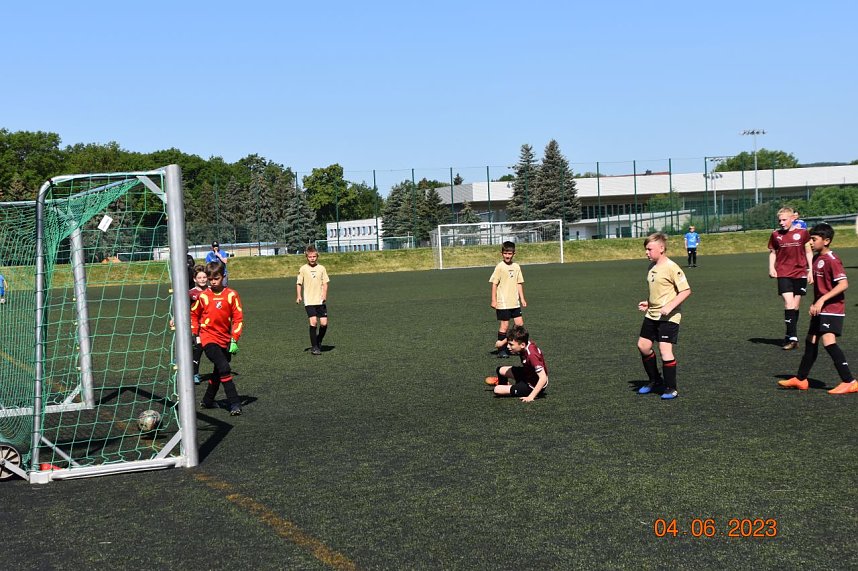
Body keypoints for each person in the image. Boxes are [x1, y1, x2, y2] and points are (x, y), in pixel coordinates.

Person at [778, 224, 858, 394]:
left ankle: (849, 380)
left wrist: (821, 300)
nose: (810, 243)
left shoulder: (832, 259)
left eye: (814, 239)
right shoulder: (816, 259)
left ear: (827, 240)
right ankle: (801, 379)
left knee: (828, 342)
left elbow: (843, 284)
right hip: (820, 308)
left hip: (832, 309)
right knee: (810, 341)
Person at [636, 232, 692, 400]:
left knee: (664, 350)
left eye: (649, 249)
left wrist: (670, 306)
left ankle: (671, 388)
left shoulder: (672, 267)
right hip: (652, 314)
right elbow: (658, 292)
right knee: (643, 346)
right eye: (645, 249)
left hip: (669, 317)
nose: (646, 252)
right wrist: (648, 302)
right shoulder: (651, 267)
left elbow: (686, 291)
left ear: (661, 248)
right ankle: (655, 380)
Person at [191, 261, 244, 415]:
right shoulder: (204, 297)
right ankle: (234, 403)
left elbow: (238, 319)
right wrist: (195, 333)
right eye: (210, 279)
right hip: (208, 338)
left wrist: (234, 338)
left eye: (217, 278)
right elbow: (194, 315)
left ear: (224, 277)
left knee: (218, 372)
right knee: (225, 368)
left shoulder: (232, 295)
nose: (213, 282)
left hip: (226, 339)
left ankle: (207, 400)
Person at [768, 207, 813, 351]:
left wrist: (810, 270)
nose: (781, 222)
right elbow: (773, 253)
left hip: (800, 273)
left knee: (795, 306)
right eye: (779, 220)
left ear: (792, 218)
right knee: (789, 304)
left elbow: (808, 251)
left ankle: (789, 334)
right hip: (783, 273)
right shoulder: (775, 235)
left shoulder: (802, 233)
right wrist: (771, 267)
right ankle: (793, 338)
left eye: (784, 219)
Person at [484, 325, 548, 402]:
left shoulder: (532, 355)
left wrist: (531, 396)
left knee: (497, 390)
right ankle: (505, 385)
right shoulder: (524, 342)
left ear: (522, 345)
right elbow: (513, 338)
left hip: (532, 385)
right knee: (500, 370)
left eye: (511, 344)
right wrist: (501, 343)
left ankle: (514, 387)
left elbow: (543, 378)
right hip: (527, 374)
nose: (508, 346)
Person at [489, 241, 526, 358]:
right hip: (503, 303)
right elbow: (494, 284)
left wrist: (522, 298)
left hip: (514, 302)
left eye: (509, 253)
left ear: (514, 254)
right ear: (501, 253)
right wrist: (493, 300)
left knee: (519, 325)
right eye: (505, 253)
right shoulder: (500, 267)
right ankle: (502, 350)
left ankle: (508, 344)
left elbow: (519, 283)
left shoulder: (516, 267)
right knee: (504, 326)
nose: (507, 256)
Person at [296, 246, 330, 355]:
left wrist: (324, 295)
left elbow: (325, 283)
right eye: (310, 257)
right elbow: (299, 283)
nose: (312, 258)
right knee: (314, 322)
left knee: (324, 323)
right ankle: (314, 347)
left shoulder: (322, 268)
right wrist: (299, 296)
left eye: (314, 256)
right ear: (306, 257)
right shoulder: (303, 269)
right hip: (309, 301)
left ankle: (318, 340)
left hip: (320, 301)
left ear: (317, 256)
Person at [189, 265, 209, 384]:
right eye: (199, 277)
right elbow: (183, 307)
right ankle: (194, 373)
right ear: (194, 279)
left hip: (209, 325)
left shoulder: (211, 291)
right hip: (195, 325)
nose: (202, 279)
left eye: (204, 277)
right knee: (198, 347)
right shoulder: (191, 293)